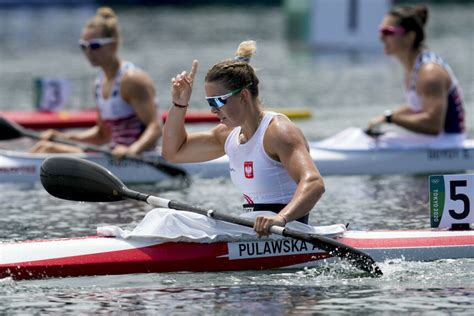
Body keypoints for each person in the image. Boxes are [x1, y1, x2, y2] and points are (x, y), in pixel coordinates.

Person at [162, 40, 325, 237]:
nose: (213, 110)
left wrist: (281, 218)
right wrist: (179, 104)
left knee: (172, 220)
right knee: (164, 217)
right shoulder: (228, 135)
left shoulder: (278, 133)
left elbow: (314, 183)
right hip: (253, 229)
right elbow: (173, 152)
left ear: (243, 95)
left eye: (217, 101)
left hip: (286, 230)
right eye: (209, 102)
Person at [30, 7, 161, 159]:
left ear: (113, 44)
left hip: (138, 157)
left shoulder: (132, 80)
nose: (88, 53)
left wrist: (132, 150)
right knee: (44, 147)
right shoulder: (99, 83)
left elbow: (156, 127)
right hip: (114, 156)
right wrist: (64, 138)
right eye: (83, 46)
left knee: (48, 149)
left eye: (94, 46)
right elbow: (102, 135)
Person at [367, 4, 465, 138]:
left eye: (388, 32)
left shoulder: (430, 73)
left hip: (448, 145)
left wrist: (391, 119)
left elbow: (433, 125)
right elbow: (417, 106)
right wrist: (386, 116)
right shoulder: (413, 67)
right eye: (381, 31)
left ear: (410, 37)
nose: (381, 38)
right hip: (434, 144)